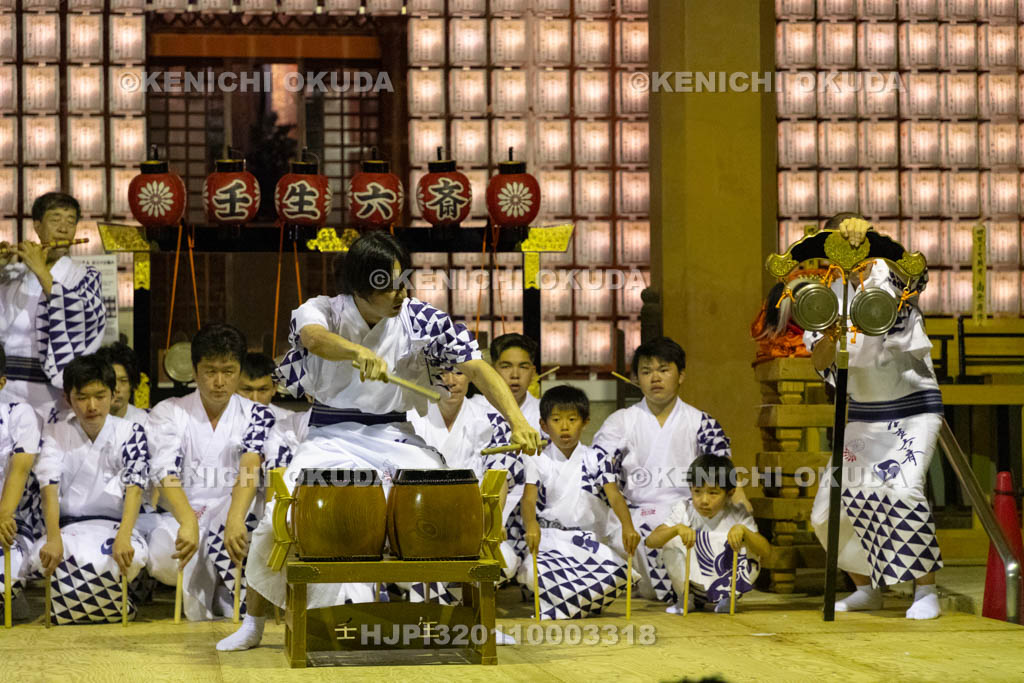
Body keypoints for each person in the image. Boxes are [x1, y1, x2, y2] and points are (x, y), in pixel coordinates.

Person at [222, 232, 540, 652]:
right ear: (359, 288)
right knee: (279, 516)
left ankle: (476, 621)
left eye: (401, 281)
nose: (400, 293)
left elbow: (477, 368)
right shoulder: (322, 311)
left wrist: (516, 419)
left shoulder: (417, 318)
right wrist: (356, 352)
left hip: (394, 436)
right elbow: (314, 339)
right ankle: (254, 621)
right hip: (330, 437)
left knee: (453, 502)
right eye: (388, 284)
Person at [806, 214, 943, 620]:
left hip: (912, 409)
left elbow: (918, 274)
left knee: (903, 494)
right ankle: (866, 587)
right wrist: (831, 331)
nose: (848, 254)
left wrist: (878, 241)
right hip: (863, 416)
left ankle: (926, 590)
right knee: (827, 513)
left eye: (854, 245)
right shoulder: (825, 293)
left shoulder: (890, 271)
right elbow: (818, 359)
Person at [591, 336, 746, 604]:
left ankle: (693, 589)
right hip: (635, 514)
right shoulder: (620, 422)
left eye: (664, 370)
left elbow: (723, 470)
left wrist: (741, 502)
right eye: (646, 371)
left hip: (690, 511)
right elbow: (600, 472)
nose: (655, 378)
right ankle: (679, 591)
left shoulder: (702, 422)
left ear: (681, 375)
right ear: (636, 378)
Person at [144, 323, 280, 621]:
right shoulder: (168, 411)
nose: (219, 382)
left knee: (239, 540)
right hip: (184, 510)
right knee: (162, 555)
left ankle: (231, 597)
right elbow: (164, 471)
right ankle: (219, 595)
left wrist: (234, 519)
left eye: (228, 371)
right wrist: (188, 521)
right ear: (194, 370)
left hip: (239, 508)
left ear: (240, 370)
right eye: (210, 371)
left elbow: (250, 464)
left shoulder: (258, 413)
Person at [29, 355, 150, 624]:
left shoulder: (132, 431)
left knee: (131, 556)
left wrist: (125, 535)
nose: (91, 406)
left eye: (100, 395)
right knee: (44, 557)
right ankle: (109, 608)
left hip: (115, 525)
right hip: (68, 527)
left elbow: (136, 487)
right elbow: (48, 485)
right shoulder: (54, 432)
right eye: (82, 397)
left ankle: (89, 607)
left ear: (112, 394)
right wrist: (52, 538)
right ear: (68, 397)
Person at [519, 385, 641, 619]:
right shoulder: (537, 459)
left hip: (587, 541)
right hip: (551, 541)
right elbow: (528, 499)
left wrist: (628, 526)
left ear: (585, 422)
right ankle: (581, 603)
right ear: (543, 425)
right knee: (537, 573)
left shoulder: (597, 458)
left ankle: (572, 603)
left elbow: (614, 495)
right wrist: (531, 525)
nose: (564, 427)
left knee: (617, 574)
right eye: (556, 420)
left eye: (572, 419)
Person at [0, 193, 106, 417]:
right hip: (5, 389)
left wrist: (40, 270)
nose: (64, 227)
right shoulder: (14, 275)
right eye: (55, 219)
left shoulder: (85, 277)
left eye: (71, 221)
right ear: (37, 226)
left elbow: (84, 318)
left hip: (52, 395)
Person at [646, 455, 771, 614]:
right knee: (672, 541)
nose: (704, 500)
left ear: (730, 493)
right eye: (697, 491)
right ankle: (684, 599)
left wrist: (744, 531)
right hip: (694, 588)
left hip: (726, 585)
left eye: (713, 493)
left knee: (750, 542)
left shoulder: (738, 514)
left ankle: (728, 598)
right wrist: (676, 529)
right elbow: (650, 541)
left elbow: (765, 551)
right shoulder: (684, 509)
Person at [0, 346, 43, 620]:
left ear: (1, 381)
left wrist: (3, 515)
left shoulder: (20, 414)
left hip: (13, 522)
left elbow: (20, 468)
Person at [406, 366, 491, 475]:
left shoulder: (487, 419)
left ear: (470, 376)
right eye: (441, 373)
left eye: (459, 373)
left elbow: (497, 477)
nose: (450, 382)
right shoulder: (411, 417)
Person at [238, 352, 309, 448]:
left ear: (274, 388)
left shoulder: (289, 420)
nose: (254, 399)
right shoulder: (222, 420)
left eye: (262, 390)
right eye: (247, 390)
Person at [96, 341, 148, 425]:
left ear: (132, 384)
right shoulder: (87, 423)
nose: (116, 388)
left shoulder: (145, 422)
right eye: (111, 381)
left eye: (123, 381)